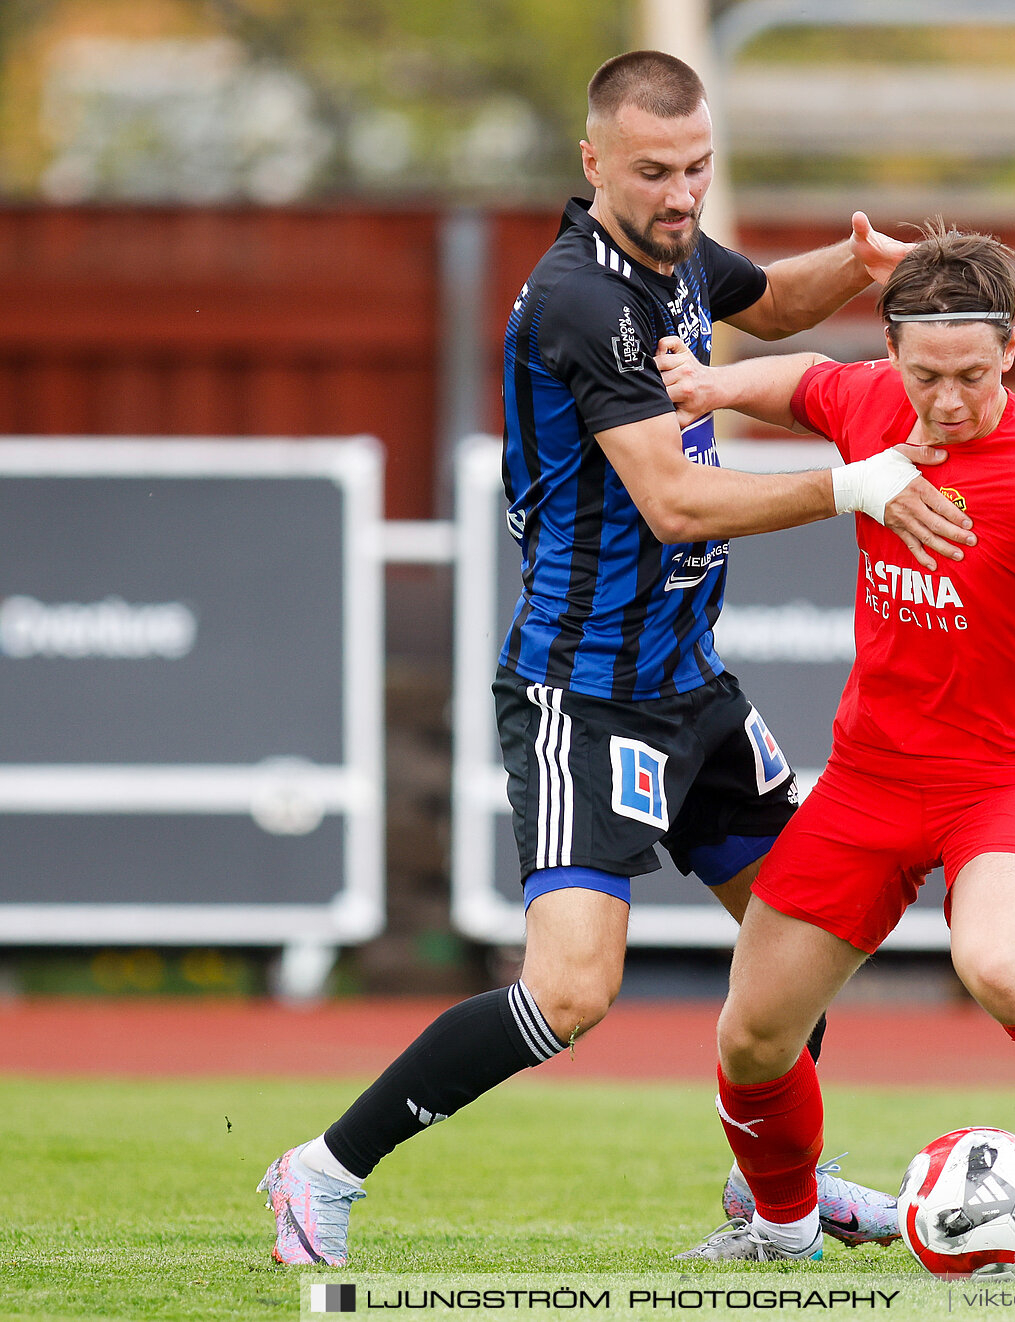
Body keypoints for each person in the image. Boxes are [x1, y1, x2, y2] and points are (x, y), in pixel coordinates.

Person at [257, 50, 977, 1268]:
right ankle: (320, 1170)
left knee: (797, 937)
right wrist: (849, 485)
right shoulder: (583, 300)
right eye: (655, 171)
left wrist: (855, 271)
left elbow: (771, 305)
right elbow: (678, 503)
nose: (684, 192)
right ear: (594, 166)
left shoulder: (679, 246)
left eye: (699, 166)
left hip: (690, 686)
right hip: (582, 694)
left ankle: (775, 1200)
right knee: (573, 993)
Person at [658, 225, 1015, 1268]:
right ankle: (786, 1232)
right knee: (751, 1034)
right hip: (871, 775)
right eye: (925, 373)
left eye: (972, 375)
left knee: (998, 964)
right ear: (890, 353)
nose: (946, 400)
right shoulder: (869, 401)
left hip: (1014, 774)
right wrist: (712, 383)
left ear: (1011, 351)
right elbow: (805, 378)